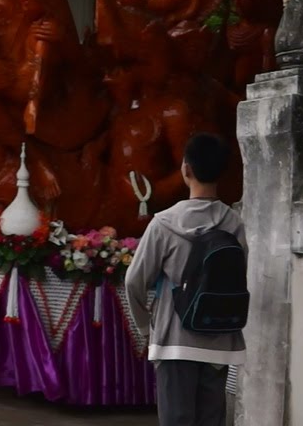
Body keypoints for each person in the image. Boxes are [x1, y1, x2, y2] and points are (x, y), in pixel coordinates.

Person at [125, 133, 247, 426]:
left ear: (186, 169)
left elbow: (133, 281)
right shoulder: (234, 223)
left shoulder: (164, 223)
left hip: (174, 340)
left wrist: (145, 325)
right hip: (218, 338)